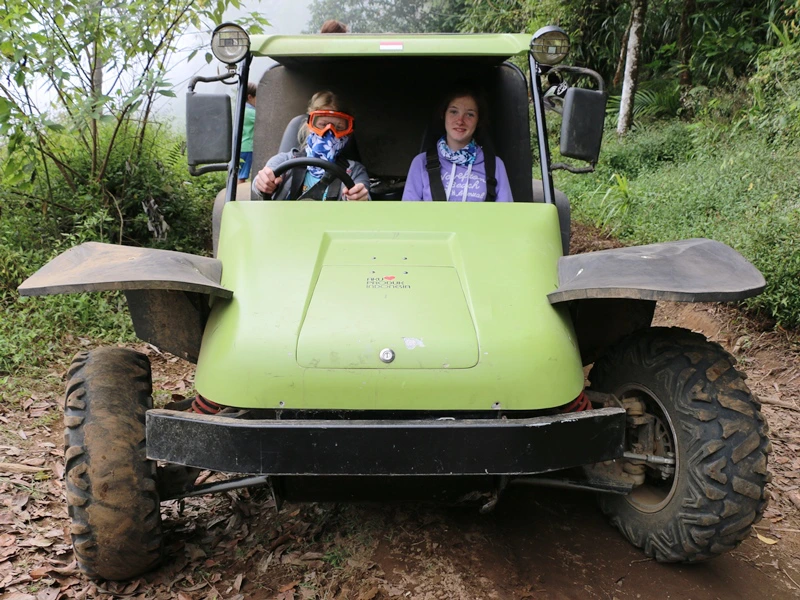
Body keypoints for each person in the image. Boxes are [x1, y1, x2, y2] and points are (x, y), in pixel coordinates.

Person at [252, 91, 369, 201]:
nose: (330, 132)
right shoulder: (284, 161)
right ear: (310, 125)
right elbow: (261, 182)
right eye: (322, 125)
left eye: (338, 127)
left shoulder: (354, 171)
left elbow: (363, 195)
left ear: (347, 132)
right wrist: (263, 182)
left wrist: (359, 197)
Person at [402, 87, 513, 202]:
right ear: (443, 114)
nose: (460, 121)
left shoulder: (495, 165)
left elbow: (506, 216)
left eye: (470, 114)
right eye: (454, 112)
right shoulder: (420, 162)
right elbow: (408, 216)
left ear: (478, 121)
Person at [238, 83, 257, 183]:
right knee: (242, 177)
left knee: (240, 175)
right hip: (247, 147)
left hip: (242, 146)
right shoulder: (250, 112)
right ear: (250, 97)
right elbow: (265, 121)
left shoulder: (242, 109)